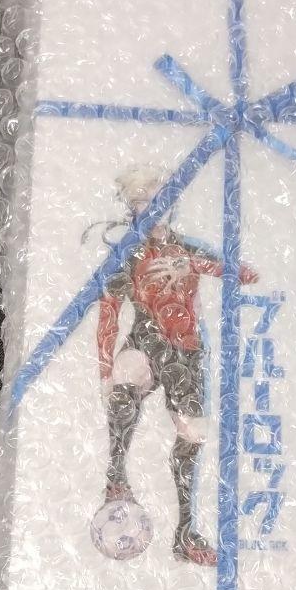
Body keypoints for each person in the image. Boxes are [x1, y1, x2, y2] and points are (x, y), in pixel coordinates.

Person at [97, 165, 258, 566]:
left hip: (186, 353)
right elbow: (109, 311)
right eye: (143, 201)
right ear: (132, 208)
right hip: (146, 342)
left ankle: (184, 536)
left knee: (193, 436)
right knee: (126, 374)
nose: (154, 207)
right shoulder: (127, 256)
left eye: (160, 197)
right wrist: (104, 370)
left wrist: (205, 267)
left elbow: (238, 272)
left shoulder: (186, 249)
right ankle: (116, 478)